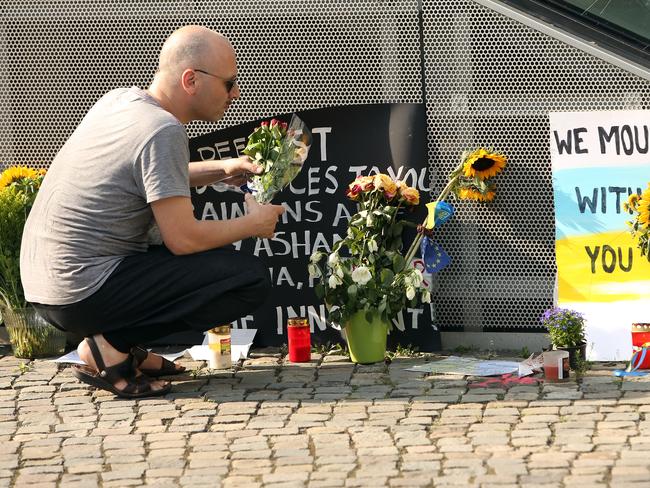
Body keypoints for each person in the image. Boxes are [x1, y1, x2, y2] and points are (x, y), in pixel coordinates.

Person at [20, 25, 285, 398]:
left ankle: (121, 346)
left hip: (45, 285)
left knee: (220, 266)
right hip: (81, 290)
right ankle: (110, 345)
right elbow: (184, 239)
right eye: (229, 83)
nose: (236, 93)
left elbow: (141, 176)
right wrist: (253, 223)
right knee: (246, 278)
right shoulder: (163, 130)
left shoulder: (121, 101)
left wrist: (221, 168)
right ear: (191, 79)